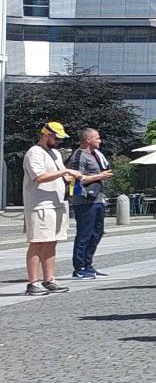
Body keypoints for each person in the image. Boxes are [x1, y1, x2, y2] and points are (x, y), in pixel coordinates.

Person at [22, 122, 77, 295]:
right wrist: (64, 173)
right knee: (37, 243)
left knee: (52, 242)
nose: (59, 141)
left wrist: (72, 177)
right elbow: (39, 177)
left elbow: (62, 174)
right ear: (46, 135)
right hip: (40, 205)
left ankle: (49, 279)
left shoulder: (54, 153)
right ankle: (33, 282)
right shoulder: (34, 153)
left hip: (57, 203)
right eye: (56, 137)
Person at [66, 128, 114, 279]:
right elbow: (77, 178)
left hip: (98, 197)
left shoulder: (96, 155)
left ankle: (88, 264)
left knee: (97, 232)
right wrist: (100, 176)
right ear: (88, 140)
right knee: (85, 233)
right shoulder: (79, 155)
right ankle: (79, 267)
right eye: (97, 138)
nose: (100, 141)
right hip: (84, 200)